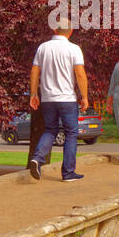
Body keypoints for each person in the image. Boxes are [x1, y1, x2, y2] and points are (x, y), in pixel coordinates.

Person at [28, 21, 87, 182]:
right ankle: (68, 173)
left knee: (50, 130)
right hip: (67, 99)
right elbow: (80, 73)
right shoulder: (74, 49)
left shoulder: (43, 48)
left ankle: (37, 158)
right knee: (71, 134)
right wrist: (85, 96)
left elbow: (34, 71)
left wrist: (34, 94)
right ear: (71, 31)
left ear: (54, 29)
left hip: (47, 99)